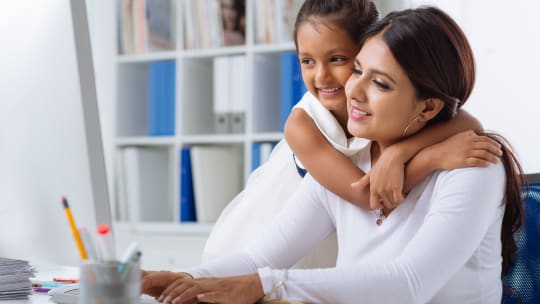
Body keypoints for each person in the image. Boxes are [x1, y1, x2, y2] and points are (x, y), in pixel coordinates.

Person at [142, 6, 525, 304]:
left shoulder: (471, 166)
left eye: (379, 83)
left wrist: (268, 284)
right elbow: (258, 257)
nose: (353, 91)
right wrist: (185, 279)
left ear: (427, 109)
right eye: (358, 70)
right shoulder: (349, 163)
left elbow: (410, 284)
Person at [203, 0, 501, 268]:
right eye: (307, 61)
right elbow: (366, 194)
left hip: (341, 227)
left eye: (337, 60)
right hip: (283, 231)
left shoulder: (379, 106)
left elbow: (467, 121)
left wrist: (399, 153)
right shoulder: (302, 125)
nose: (321, 76)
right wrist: (431, 157)